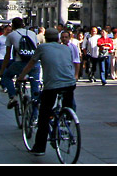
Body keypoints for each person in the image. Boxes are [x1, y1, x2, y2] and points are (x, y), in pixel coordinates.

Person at [17, 28, 77, 157]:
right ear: (58, 38)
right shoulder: (66, 48)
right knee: (66, 106)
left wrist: (21, 76)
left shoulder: (42, 48)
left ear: (46, 38)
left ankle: (40, 147)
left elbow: (31, 64)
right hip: (70, 84)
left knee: (44, 114)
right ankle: (64, 120)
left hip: (52, 85)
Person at [1, 17, 40, 109]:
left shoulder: (11, 35)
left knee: (6, 77)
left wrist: (2, 71)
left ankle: (13, 96)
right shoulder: (32, 33)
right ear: (23, 24)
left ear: (13, 26)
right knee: (35, 86)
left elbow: (7, 55)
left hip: (20, 63)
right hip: (34, 63)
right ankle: (34, 117)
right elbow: (38, 48)